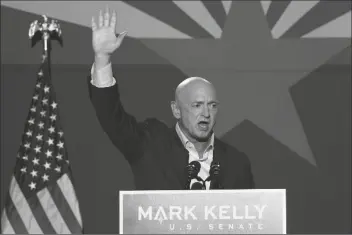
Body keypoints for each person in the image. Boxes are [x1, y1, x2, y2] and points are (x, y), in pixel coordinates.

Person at [88, 7, 255, 190]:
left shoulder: (236, 162)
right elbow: (112, 119)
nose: (206, 113)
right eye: (197, 105)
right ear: (176, 109)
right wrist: (102, 58)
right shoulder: (150, 145)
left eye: (212, 105)